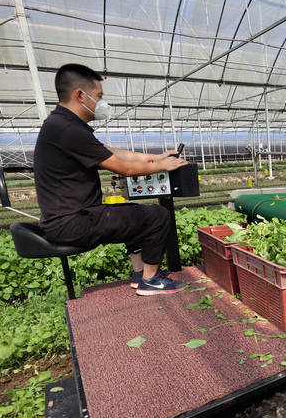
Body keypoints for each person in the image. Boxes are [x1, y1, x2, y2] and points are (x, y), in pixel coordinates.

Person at [33, 63, 188, 295]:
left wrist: (155, 158)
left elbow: (113, 152)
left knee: (133, 214)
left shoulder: (64, 125)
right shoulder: (66, 129)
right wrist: (162, 166)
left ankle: (139, 275)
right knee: (158, 216)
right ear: (80, 95)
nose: (101, 103)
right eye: (99, 96)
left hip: (70, 219)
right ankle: (151, 280)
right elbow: (122, 167)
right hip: (73, 222)